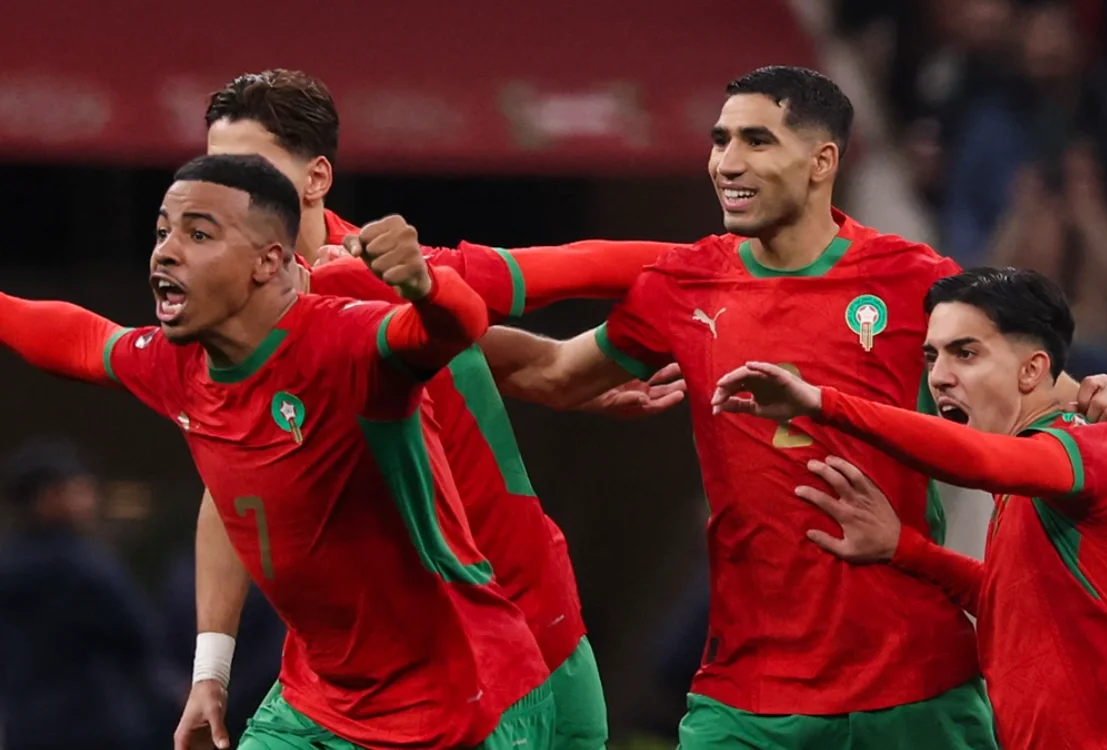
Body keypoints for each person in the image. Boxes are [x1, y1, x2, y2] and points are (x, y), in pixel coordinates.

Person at [477, 65, 1107, 748]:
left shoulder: (917, 282)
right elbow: (555, 372)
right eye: (721, 140)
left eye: (757, 141)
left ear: (823, 160)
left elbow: (1039, 397)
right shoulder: (683, 284)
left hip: (915, 688)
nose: (727, 162)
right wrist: (415, 330)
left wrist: (1101, 399)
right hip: (749, 695)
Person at [194, 67, 685, 750]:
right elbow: (232, 484)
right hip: (350, 675)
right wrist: (208, 672)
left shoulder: (390, 271)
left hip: (515, 639)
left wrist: (744, 264)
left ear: (315, 179)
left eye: (252, 169)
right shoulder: (231, 312)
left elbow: (579, 269)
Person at [0, 153, 555, 750]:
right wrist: (209, 674)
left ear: (269, 261)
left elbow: (451, 328)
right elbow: (80, 340)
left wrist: (425, 282)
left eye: (198, 234)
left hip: (462, 697)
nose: (165, 251)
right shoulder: (175, 363)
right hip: (318, 701)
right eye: (162, 231)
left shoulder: (345, 343)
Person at [711, 267, 1107, 749]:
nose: (939, 377)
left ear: (1032, 369)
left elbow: (977, 461)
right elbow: (1016, 606)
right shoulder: (1036, 480)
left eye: (966, 353)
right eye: (931, 356)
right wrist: (905, 548)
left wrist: (822, 403)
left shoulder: (1094, 451)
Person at [0, 439, 177, 750]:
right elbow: (137, 633)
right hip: (96, 722)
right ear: (49, 497)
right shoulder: (82, 565)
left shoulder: (9, 562)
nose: (89, 499)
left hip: (26, 726)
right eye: (78, 489)